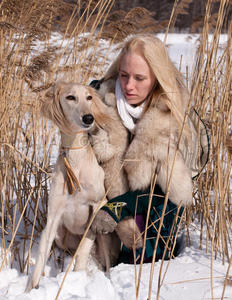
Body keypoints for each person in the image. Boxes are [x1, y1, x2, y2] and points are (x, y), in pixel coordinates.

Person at [90, 34, 208, 264]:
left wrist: (119, 207)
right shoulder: (98, 104)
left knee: (143, 259)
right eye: (124, 76)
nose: (128, 86)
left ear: (157, 78)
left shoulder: (175, 118)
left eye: (139, 78)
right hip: (100, 219)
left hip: (153, 218)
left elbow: (174, 194)